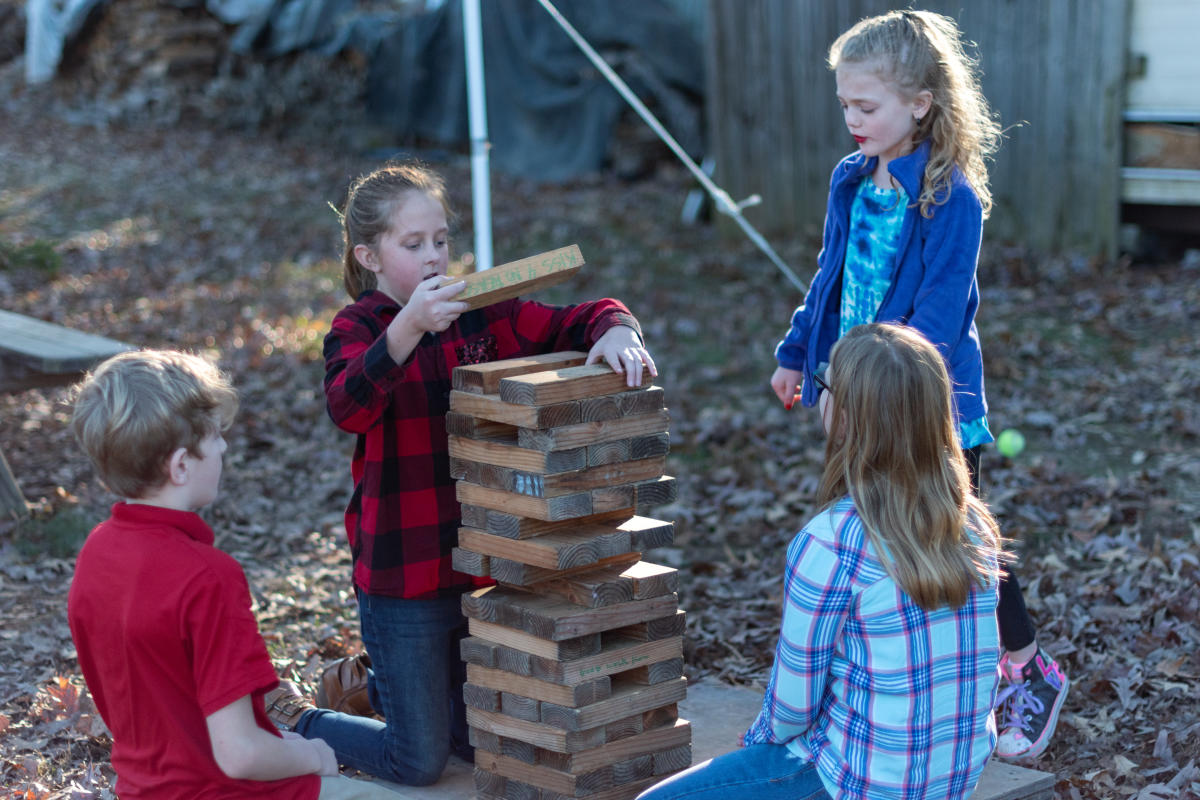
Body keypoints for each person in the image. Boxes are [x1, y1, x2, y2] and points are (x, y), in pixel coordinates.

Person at [263, 161, 657, 785]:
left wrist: (617, 330)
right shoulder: (358, 327)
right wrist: (408, 327)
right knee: (417, 762)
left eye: (441, 240)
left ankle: (379, 684)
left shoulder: (479, 312)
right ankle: (301, 717)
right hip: (404, 571)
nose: (433, 257)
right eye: (412, 244)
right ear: (368, 255)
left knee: (482, 743)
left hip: (479, 566)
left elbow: (573, 316)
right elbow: (348, 405)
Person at [768, 10, 1067, 762]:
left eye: (866, 106)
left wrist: (859, 381)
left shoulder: (948, 197)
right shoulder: (851, 180)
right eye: (845, 104)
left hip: (929, 408)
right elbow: (830, 279)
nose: (852, 119)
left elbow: (931, 322)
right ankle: (902, 676)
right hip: (852, 394)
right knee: (871, 532)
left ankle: (1029, 670)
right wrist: (800, 354)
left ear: (921, 104)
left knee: (956, 538)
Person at [640, 323, 1005, 800]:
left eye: (825, 384)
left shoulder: (832, 542)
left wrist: (760, 743)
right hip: (951, 780)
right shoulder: (976, 526)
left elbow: (793, 706)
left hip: (860, 784)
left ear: (847, 416)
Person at [67, 350, 397, 800]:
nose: (223, 447)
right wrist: (316, 755)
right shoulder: (206, 576)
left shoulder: (96, 553)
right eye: (215, 437)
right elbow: (240, 755)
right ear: (181, 465)